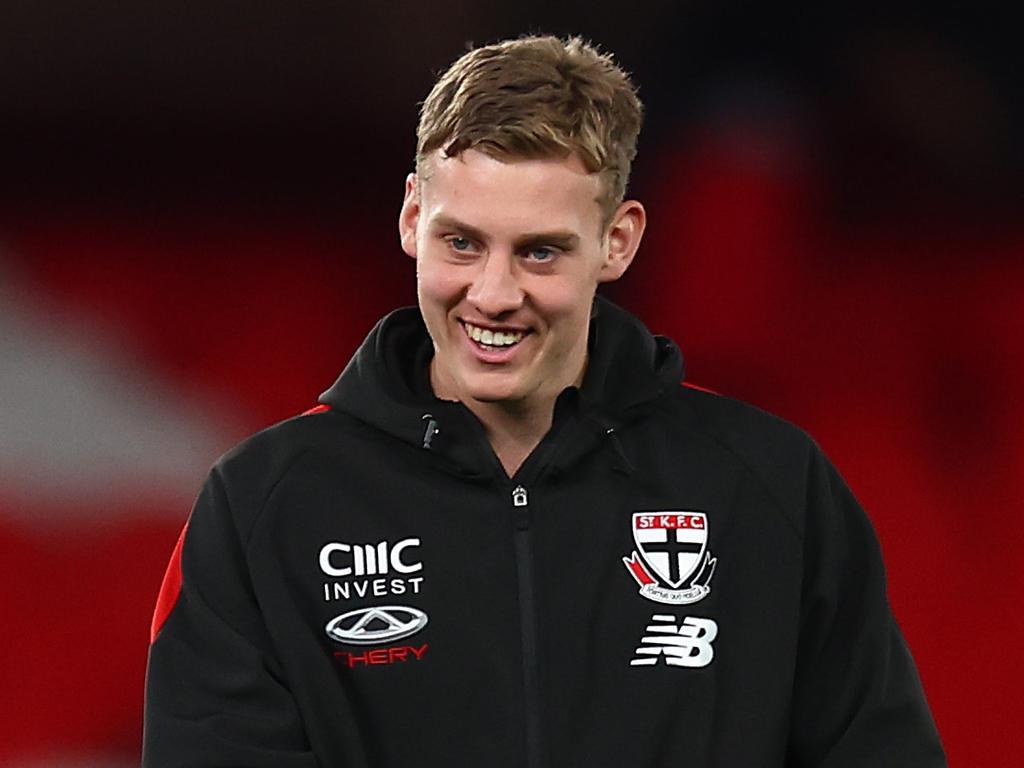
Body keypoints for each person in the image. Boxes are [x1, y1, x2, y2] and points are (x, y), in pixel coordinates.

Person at [143, 35, 946, 767]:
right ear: (412, 217)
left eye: (540, 252)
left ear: (618, 241)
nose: (493, 294)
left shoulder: (770, 486)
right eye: (462, 242)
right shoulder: (264, 505)